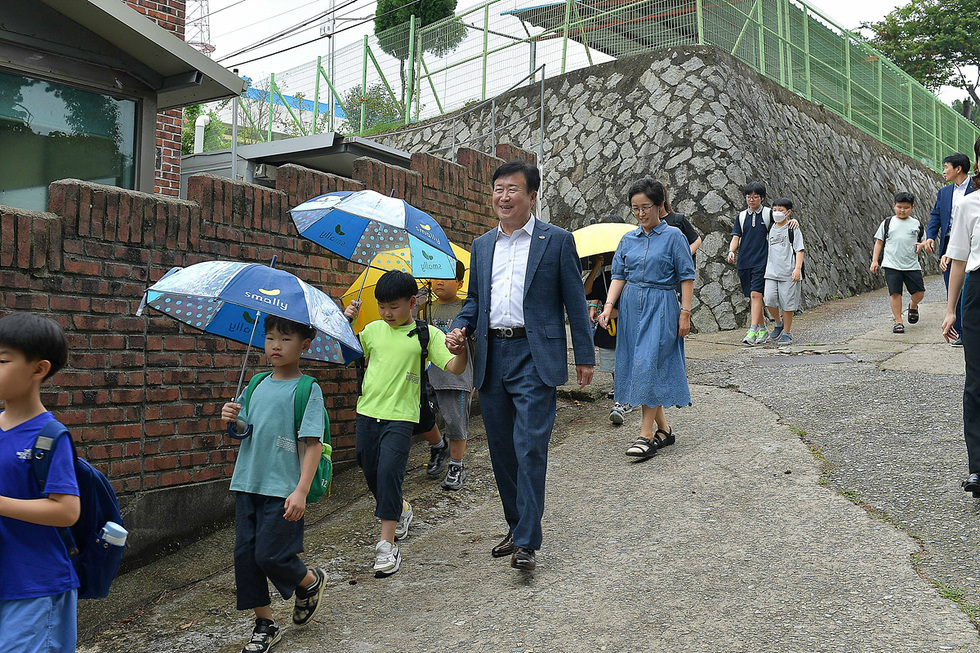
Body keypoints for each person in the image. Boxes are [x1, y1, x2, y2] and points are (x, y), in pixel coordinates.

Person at [446, 160, 595, 572]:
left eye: (513, 189)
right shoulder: (481, 245)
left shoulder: (557, 241)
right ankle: (516, 526)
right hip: (494, 355)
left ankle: (528, 540)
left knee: (530, 446)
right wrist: (460, 326)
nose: (504, 196)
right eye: (498, 189)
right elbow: (474, 300)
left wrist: (585, 355)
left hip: (535, 354)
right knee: (501, 451)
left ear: (532, 197)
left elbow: (574, 302)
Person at [345, 270, 468, 577]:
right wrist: (346, 321)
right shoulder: (371, 330)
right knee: (369, 467)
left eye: (394, 306)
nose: (387, 313)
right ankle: (400, 509)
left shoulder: (428, 335)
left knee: (389, 471)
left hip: (401, 416)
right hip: (367, 411)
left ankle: (386, 547)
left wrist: (461, 351)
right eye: (382, 306)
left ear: (412, 303)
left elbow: (454, 367)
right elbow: (344, 353)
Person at [221, 315, 328, 653]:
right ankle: (264, 623)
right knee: (245, 556)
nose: (276, 346)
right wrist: (231, 418)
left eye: (285, 339)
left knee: (271, 554)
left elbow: (313, 443)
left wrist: (301, 490)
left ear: (304, 345)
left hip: (283, 488)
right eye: (270, 339)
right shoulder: (254, 384)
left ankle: (309, 581)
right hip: (248, 482)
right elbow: (244, 429)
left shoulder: (307, 388)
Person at [598, 177, 695, 459]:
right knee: (638, 363)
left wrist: (685, 313)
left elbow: (686, 276)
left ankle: (645, 435)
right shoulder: (628, 239)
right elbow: (619, 275)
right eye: (635, 208)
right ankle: (663, 429)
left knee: (647, 365)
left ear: (660, 205)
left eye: (646, 207)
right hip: (631, 308)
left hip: (663, 305)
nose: (641, 214)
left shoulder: (675, 236)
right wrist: (607, 306)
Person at [0, 312, 80, 652]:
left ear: (38, 369)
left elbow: (66, 511)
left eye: (2, 360)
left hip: (35, 586)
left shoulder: (49, 436)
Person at [942, 138, 980, 496]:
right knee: (977, 381)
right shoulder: (969, 204)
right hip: (978, 293)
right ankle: (978, 469)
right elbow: (957, 259)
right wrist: (951, 308)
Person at [421, 263, 475, 491]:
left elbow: (478, 346)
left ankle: (456, 464)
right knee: (421, 416)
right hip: (429, 375)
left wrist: (478, 378)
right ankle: (438, 445)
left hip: (457, 377)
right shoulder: (424, 309)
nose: (439, 281)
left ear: (461, 283)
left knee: (455, 421)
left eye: (446, 277)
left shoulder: (466, 308)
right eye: (435, 276)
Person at [726, 182, 798, 345]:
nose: (751, 200)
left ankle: (753, 330)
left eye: (755, 196)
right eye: (749, 196)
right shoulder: (742, 216)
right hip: (744, 262)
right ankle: (763, 328)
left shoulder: (768, 214)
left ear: (762, 198)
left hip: (762, 261)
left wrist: (794, 222)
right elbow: (736, 236)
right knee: (752, 298)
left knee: (756, 295)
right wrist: (731, 251)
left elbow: (782, 222)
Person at [927, 153, 975, 347]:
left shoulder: (975, 188)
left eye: (946, 166)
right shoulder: (944, 193)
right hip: (949, 242)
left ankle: (971, 330)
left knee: (970, 287)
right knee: (953, 287)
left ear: (958, 169)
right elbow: (936, 216)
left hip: (972, 243)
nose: (943, 170)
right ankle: (962, 333)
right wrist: (930, 236)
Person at [585, 251, 633, 424]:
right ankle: (621, 391)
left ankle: (625, 397)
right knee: (612, 362)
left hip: (629, 326)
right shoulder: (605, 277)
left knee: (627, 360)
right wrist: (597, 266)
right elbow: (587, 290)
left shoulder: (634, 276)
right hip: (607, 329)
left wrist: (618, 312)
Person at [870, 192, 927, 334]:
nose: (902, 210)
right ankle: (898, 321)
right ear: (894, 205)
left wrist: (923, 245)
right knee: (895, 293)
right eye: (899, 207)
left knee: (919, 293)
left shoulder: (917, 224)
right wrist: (875, 260)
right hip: (891, 264)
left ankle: (913, 305)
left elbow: (925, 242)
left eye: (906, 207)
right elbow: (879, 242)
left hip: (911, 265)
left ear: (912, 208)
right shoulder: (887, 223)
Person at [763, 198, 805, 346]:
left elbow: (799, 250)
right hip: (771, 272)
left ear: (788, 212)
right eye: (775, 210)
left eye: (780, 210)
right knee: (768, 299)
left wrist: (797, 269)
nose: (777, 213)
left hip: (788, 272)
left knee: (787, 304)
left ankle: (787, 332)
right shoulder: (770, 227)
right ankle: (778, 323)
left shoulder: (793, 228)